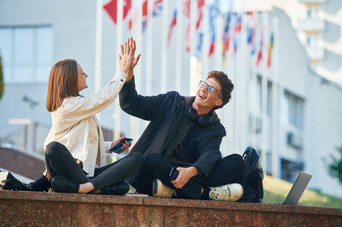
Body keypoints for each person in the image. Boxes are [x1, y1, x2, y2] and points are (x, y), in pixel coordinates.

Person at [119, 66, 245, 201]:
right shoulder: (171, 101)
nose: (203, 89)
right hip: (154, 174)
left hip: (187, 176)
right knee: (152, 160)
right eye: (204, 84)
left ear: (218, 102)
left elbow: (211, 154)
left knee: (237, 162)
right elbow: (132, 104)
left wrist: (192, 171)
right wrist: (128, 75)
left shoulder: (216, 129)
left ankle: (171, 191)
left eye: (210, 89)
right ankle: (203, 193)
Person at [43, 38, 144, 195]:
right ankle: (92, 187)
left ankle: (83, 187)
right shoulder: (67, 106)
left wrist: (111, 146)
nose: (86, 75)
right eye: (82, 73)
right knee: (53, 148)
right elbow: (103, 98)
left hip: (86, 176)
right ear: (69, 79)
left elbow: (84, 142)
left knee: (136, 159)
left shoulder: (79, 106)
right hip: (73, 171)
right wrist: (123, 71)